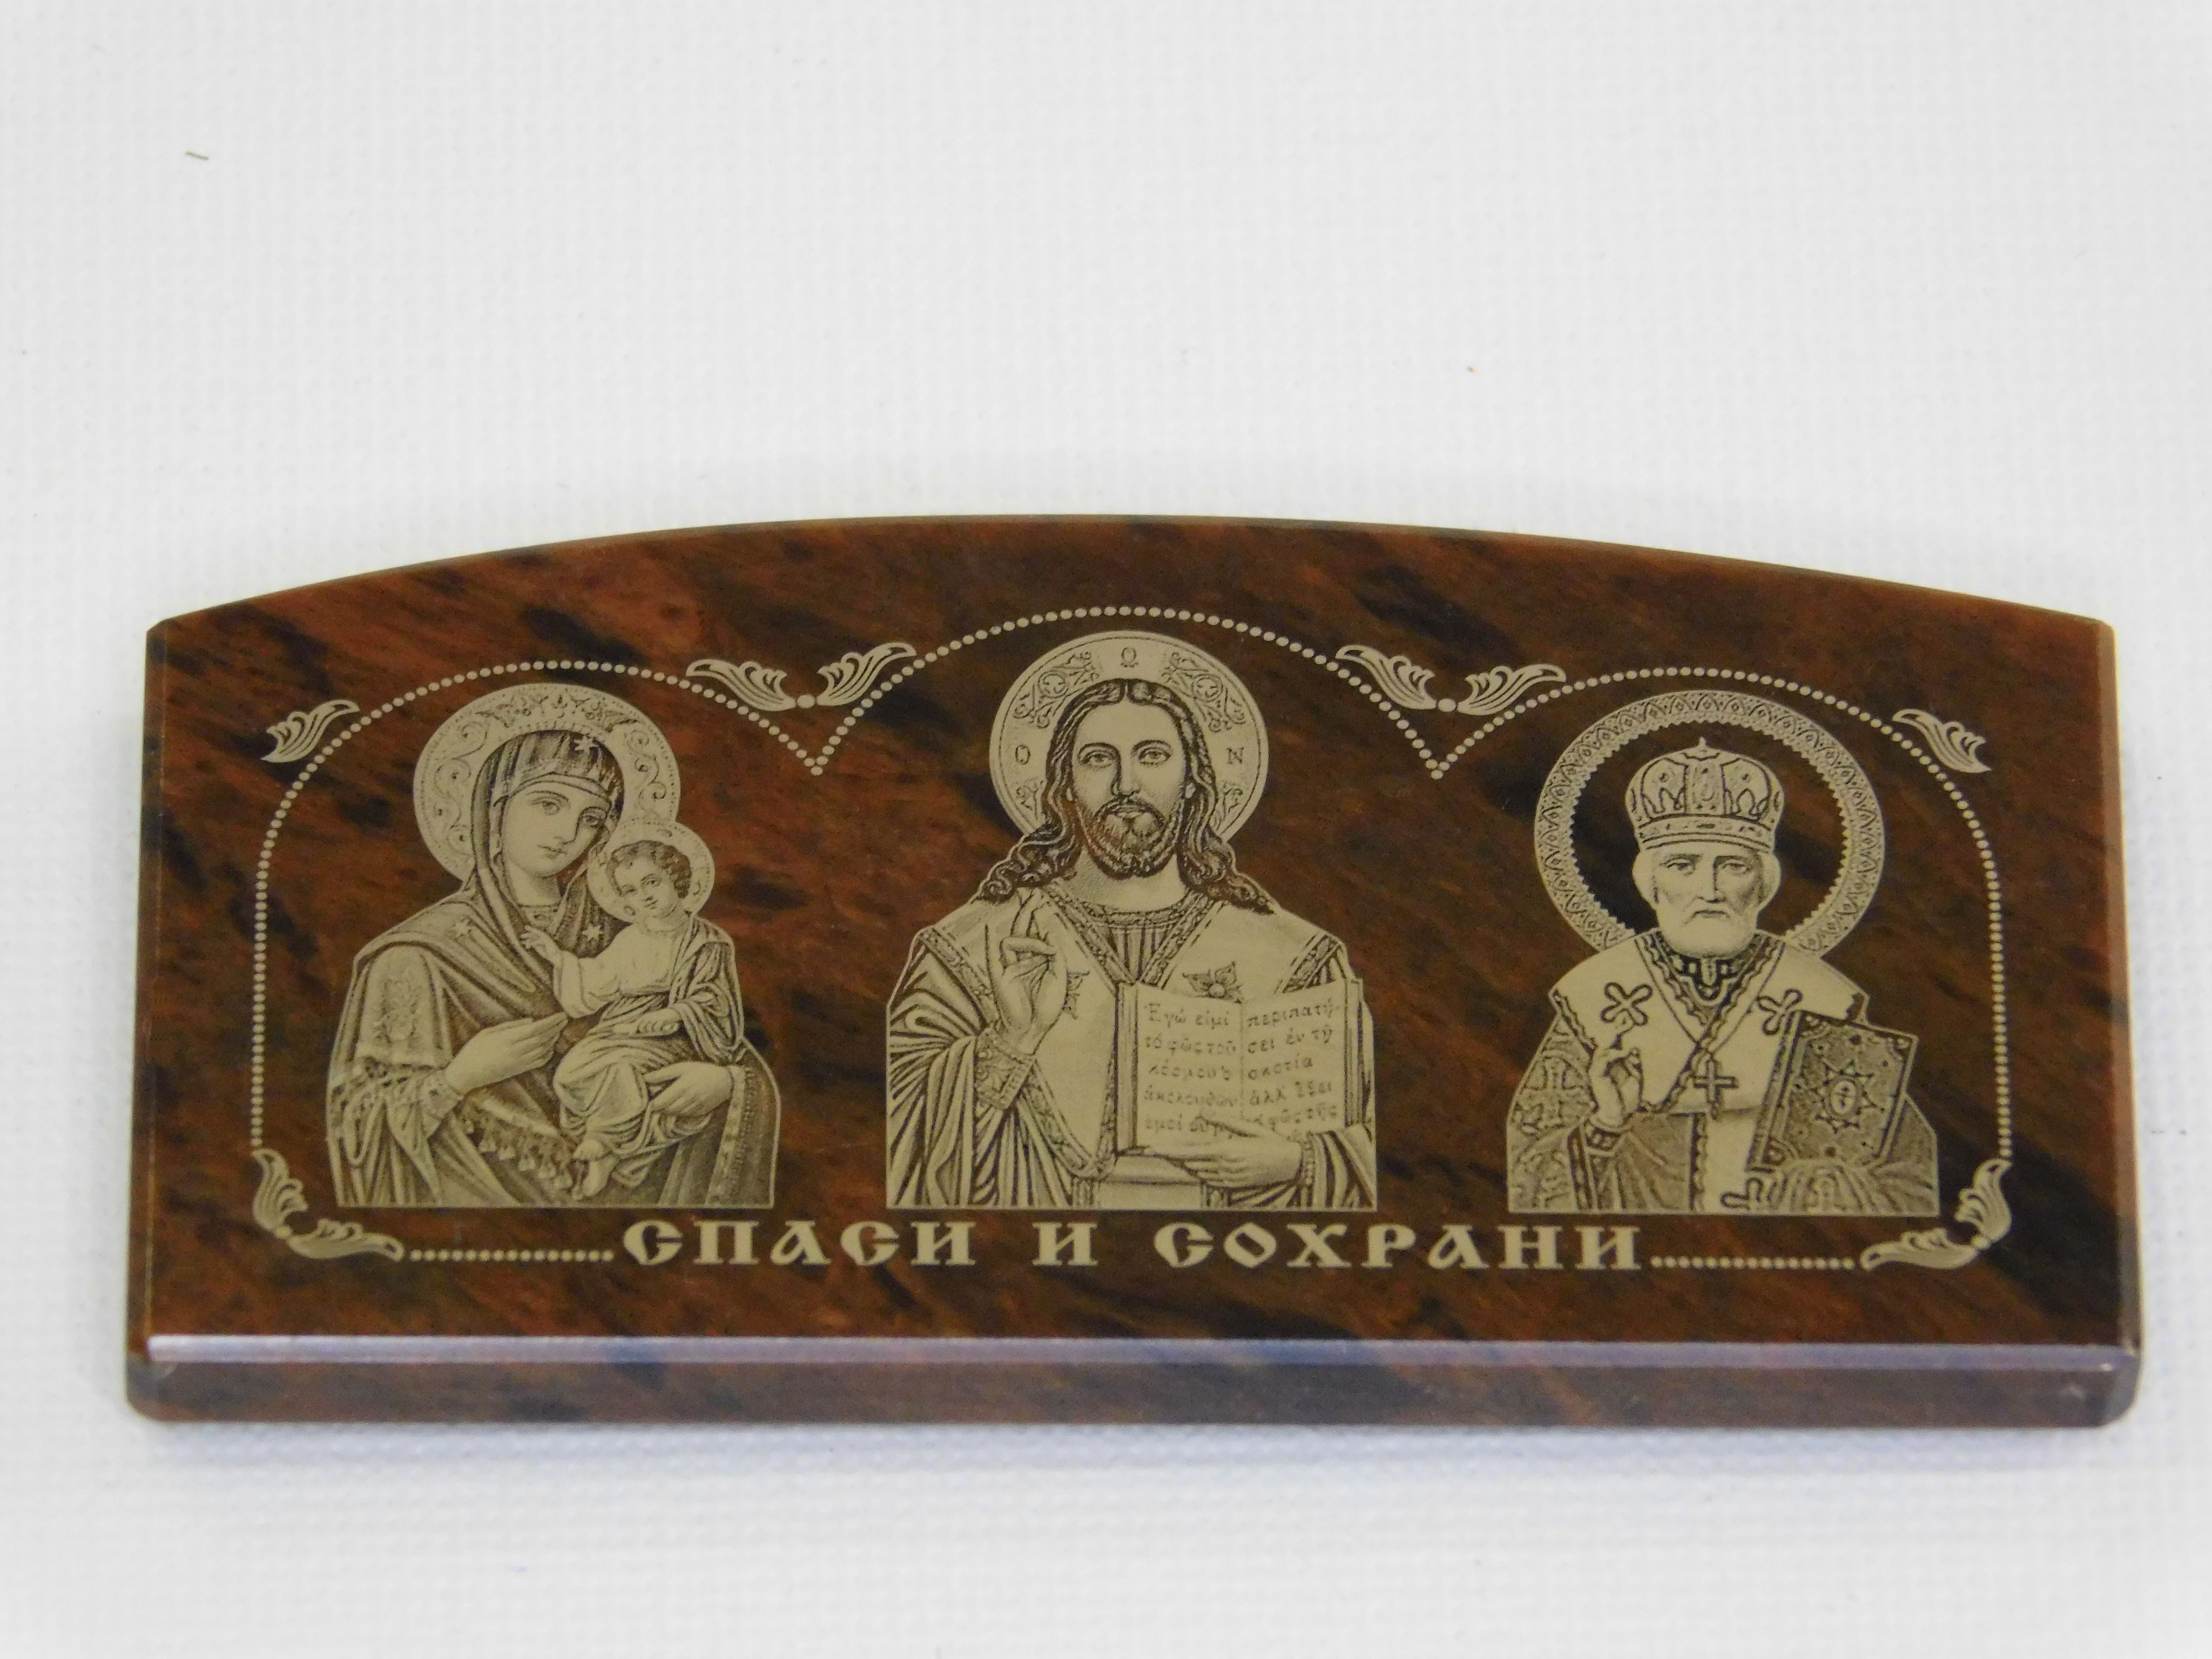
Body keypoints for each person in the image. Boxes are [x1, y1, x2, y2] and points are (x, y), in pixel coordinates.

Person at [886, 676, 1375, 1210]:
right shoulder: (971, 947)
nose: (1126, 784)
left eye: (1152, 756)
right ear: (1065, 785)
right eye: (1099, 759)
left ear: (1191, 780)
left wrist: (1299, 1162)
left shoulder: (1295, 956)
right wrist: (1012, 1040)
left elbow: (1384, 1153)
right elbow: (897, 1140)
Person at [325, 726, 774, 1206]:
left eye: (591, 819)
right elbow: (357, 1125)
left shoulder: (636, 932)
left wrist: (724, 1084)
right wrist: (461, 1077)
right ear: (496, 809)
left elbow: (720, 1033)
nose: (568, 834)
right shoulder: (416, 955)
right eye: (548, 804)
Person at [1506, 739, 1938, 1215]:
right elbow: (1528, 1174)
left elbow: (1910, 1179)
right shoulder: (1594, 1000)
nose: (1709, 890)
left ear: (1763, 884)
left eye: (1733, 866)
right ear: (1651, 883)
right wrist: (1607, 1124)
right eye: (1682, 865)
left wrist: (1818, 1186)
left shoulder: (1824, 1000)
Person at [524, 834, 745, 1198]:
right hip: (621, 1024)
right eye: (630, 890)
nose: (644, 896)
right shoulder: (630, 939)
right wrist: (558, 958)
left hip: (679, 1034)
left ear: (676, 878)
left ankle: (604, 1144)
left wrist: (676, 1013)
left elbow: (715, 998)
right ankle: (612, 1145)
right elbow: (598, 981)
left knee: (623, 1068)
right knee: (570, 1073)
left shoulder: (707, 941)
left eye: (652, 882)